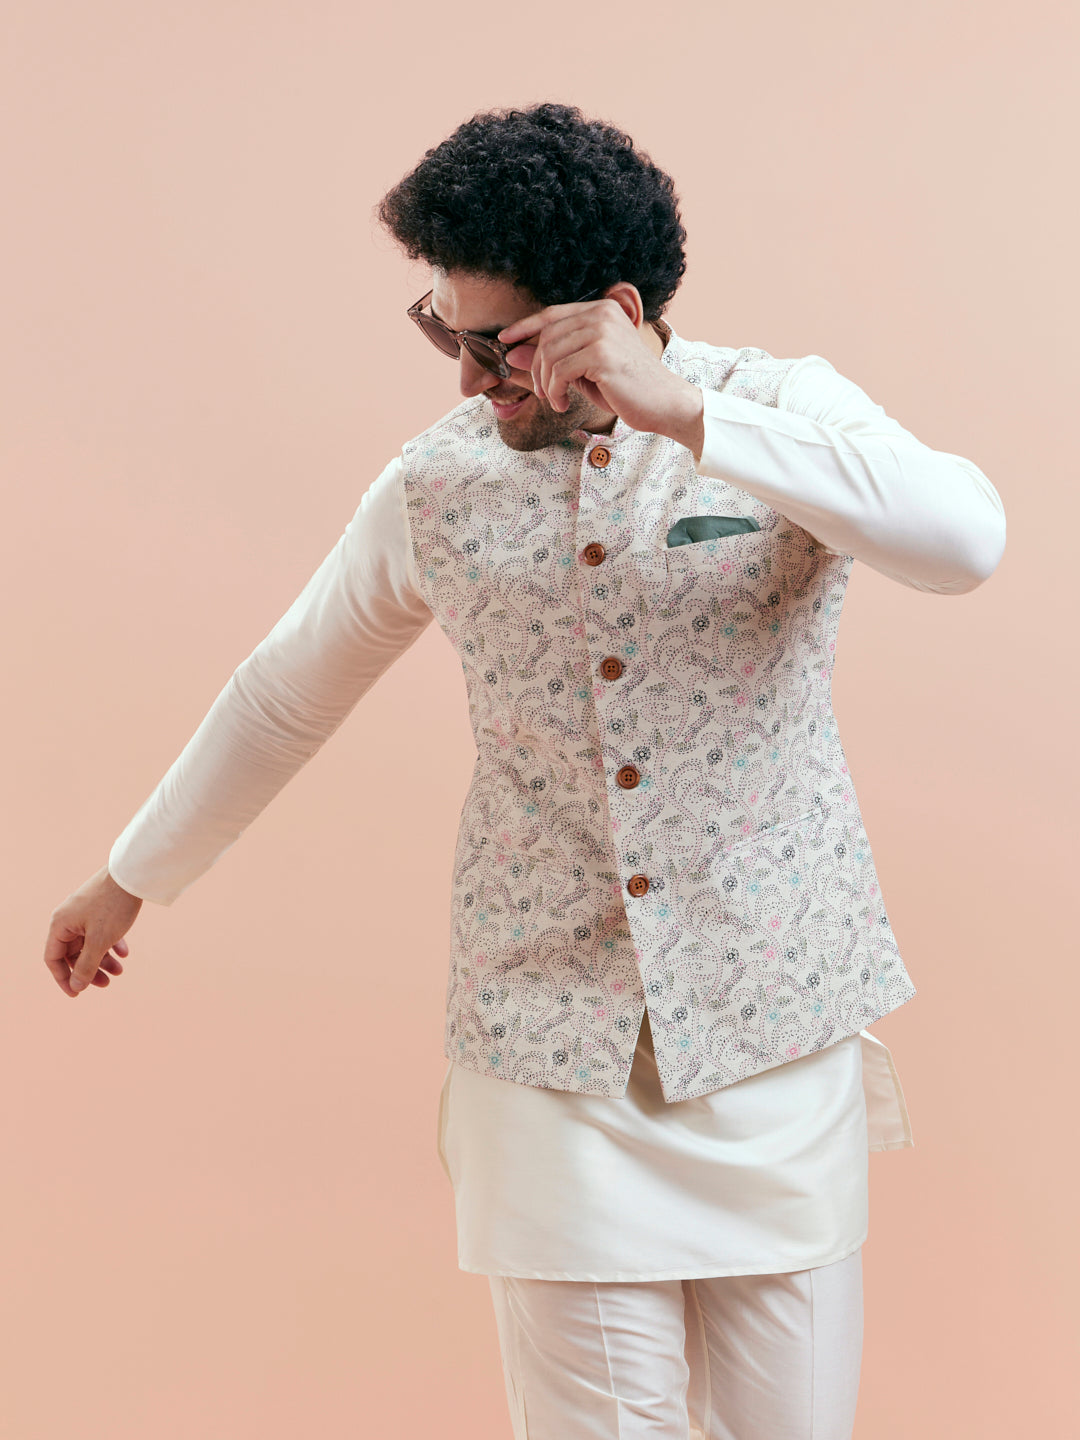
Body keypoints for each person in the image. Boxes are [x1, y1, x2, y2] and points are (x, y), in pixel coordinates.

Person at [44, 102, 1007, 1438]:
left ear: (615, 315)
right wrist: (128, 877)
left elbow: (964, 540)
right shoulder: (435, 485)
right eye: (443, 334)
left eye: (495, 346)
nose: (464, 381)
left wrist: (692, 417)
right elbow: (285, 689)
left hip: (775, 1028)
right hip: (548, 1045)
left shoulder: (783, 412)